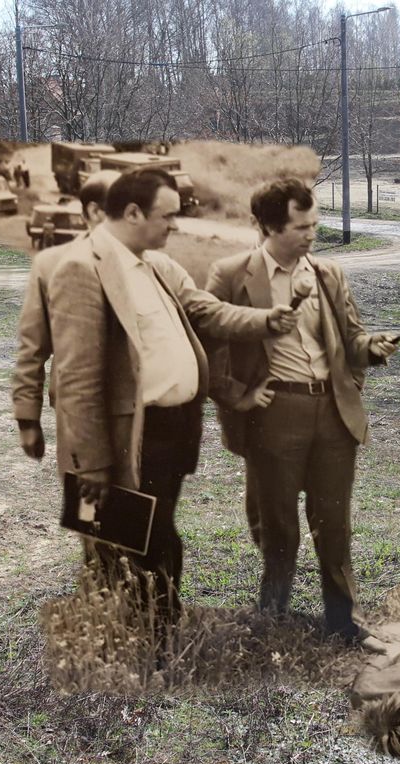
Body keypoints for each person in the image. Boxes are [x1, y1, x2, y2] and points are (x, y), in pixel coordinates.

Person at [48, 168, 297, 634]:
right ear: (133, 213)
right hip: (128, 435)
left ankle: (156, 627)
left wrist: (266, 320)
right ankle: (143, 640)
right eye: (167, 216)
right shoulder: (82, 271)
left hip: (173, 429)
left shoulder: (158, 264)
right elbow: (75, 379)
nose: (176, 225)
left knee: (155, 535)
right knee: (129, 540)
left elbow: (205, 309)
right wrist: (93, 465)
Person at [205, 177, 397, 653]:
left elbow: (352, 336)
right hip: (275, 413)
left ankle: (343, 622)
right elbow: (208, 348)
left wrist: (371, 349)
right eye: (301, 226)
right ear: (269, 226)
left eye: (315, 224)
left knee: (335, 524)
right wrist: (236, 396)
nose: (312, 234)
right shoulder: (231, 275)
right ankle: (272, 618)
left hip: (332, 413)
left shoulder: (329, 273)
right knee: (277, 526)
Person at [12, 170, 121, 462]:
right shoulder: (52, 265)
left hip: (140, 404)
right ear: (94, 212)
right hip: (78, 406)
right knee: (86, 496)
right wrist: (27, 418)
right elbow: (32, 348)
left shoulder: (147, 262)